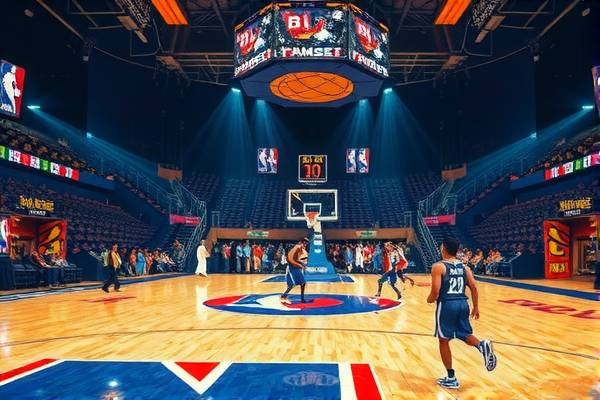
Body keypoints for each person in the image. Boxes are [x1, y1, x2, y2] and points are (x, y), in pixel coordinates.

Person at [427, 237, 497, 389]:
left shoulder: (438, 266)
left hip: (447, 305)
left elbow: (435, 292)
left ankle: (451, 377)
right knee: (463, 333)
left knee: (443, 340)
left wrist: (429, 299)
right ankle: (482, 345)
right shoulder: (465, 267)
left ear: (443, 248)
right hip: (463, 304)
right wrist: (476, 307)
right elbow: (474, 287)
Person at [281, 238, 309, 304]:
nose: (305, 245)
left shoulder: (299, 249)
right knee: (293, 284)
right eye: (304, 243)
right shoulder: (296, 248)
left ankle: (302, 299)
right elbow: (290, 259)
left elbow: (295, 259)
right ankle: (283, 296)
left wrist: (302, 264)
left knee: (301, 283)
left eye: (306, 244)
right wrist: (299, 265)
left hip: (294, 267)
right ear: (300, 242)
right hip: (291, 268)